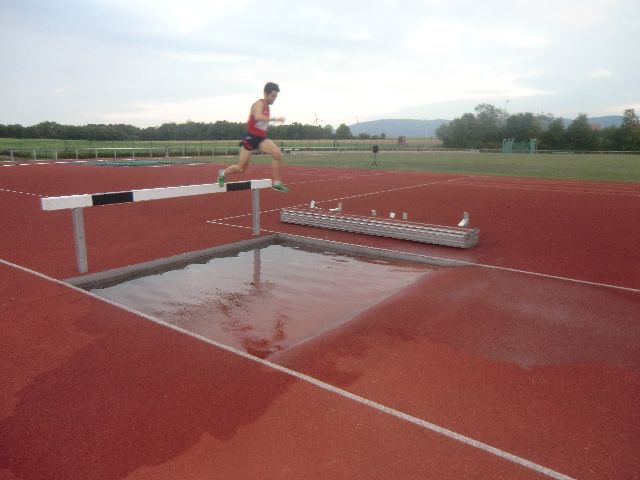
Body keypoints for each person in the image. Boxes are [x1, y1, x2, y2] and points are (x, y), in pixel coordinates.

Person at [218, 82, 288, 192]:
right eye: (273, 96)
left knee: (277, 154)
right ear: (266, 93)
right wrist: (275, 119)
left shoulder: (268, 108)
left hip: (261, 140)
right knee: (241, 168)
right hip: (250, 139)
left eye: (276, 96)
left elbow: (262, 123)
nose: (274, 99)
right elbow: (258, 116)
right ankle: (223, 173)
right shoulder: (259, 104)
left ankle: (276, 183)